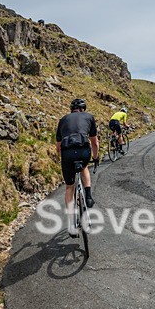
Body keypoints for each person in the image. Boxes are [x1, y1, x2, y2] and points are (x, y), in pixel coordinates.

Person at [56, 98, 99, 237]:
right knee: (84, 167)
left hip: (67, 152)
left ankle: (71, 224)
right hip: (83, 149)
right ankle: (88, 196)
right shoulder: (89, 117)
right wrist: (96, 157)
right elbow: (95, 142)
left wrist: (64, 158)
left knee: (69, 187)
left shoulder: (63, 120)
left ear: (71, 109)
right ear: (83, 109)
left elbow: (58, 147)